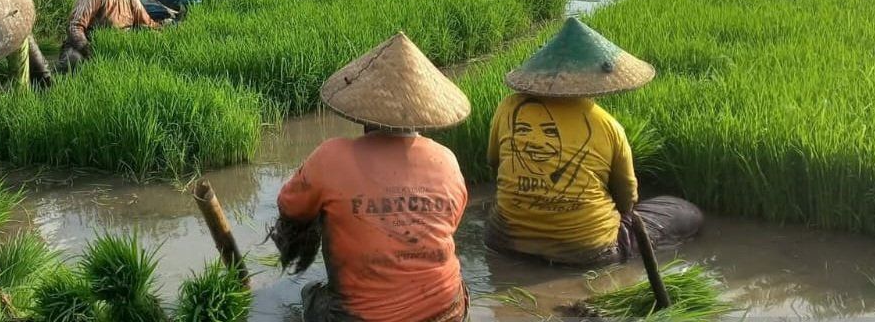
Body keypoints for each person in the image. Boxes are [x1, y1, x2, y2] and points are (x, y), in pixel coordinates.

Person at [271, 32, 471, 322]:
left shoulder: (331, 157)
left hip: (359, 318)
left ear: (362, 113)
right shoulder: (447, 161)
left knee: (310, 295)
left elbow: (290, 207)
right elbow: (448, 224)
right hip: (447, 312)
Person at [485, 17, 702, 265]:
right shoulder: (606, 124)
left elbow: (495, 164)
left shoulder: (508, 107)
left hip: (503, 241)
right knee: (684, 211)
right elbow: (626, 199)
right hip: (587, 252)